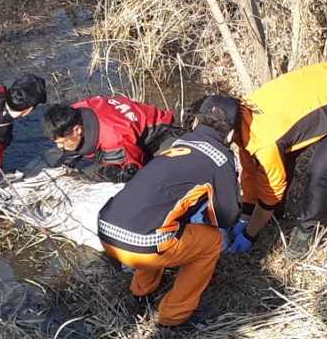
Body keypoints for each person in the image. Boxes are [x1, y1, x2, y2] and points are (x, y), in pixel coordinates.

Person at [97, 95, 241, 327]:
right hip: (141, 246)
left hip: (106, 230)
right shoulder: (220, 157)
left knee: (164, 218)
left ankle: (141, 292)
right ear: (231, 135)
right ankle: (174, 316)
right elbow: (226, 217)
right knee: (211, 242)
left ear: (195, 123)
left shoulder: (178, 144)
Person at [221, 62, 327, 258]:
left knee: (321, 172)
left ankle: (307, 232)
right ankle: (275, 215)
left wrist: (249, 233)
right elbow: (250, 170)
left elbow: (271, 191)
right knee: (281, 158)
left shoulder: (265, 143)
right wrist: (246, 215)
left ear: (229, 135)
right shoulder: (240, 115)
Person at [41, 96, 181, 183]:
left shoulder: (114, 139)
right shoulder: (75, 111)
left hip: (160, 133)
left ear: (78, 130)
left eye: (62, 142)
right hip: (128, 130)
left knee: (155, 175)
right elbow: (70, 151)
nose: (59, 147)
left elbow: (132, 173)